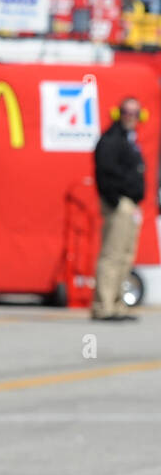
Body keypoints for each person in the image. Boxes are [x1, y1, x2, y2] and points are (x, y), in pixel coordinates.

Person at [91, 96, 146, 321]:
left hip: (130, 204)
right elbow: (103, 172)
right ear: (119, 113)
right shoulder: (112, 139)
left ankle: (117, 304)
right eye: (127, 112)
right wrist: (115, 201)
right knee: (112, 255)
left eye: (135, 114)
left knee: (125, 257)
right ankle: (103, 306)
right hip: (119, 204)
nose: (131, 117)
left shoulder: (129, 140)